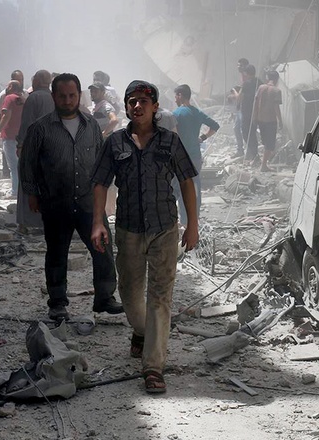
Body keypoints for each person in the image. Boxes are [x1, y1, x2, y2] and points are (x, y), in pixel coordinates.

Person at [91, 80, 199, 394]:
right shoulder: (115, 144)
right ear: (125, 106)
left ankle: (153, 367)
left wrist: (192, 225)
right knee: (130, 295)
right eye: (131, 101)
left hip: (165, 228)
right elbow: (100, 182)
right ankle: (140, 331)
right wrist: (98, 222)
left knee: (160, 298)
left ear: (154, 107)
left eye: (143, 101)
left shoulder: (170, 141)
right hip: (128, 230)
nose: (136, 106)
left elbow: (187, 181)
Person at [21, 73, 124, 321]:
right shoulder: (40, 129)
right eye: (62, 96)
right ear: (54, 96)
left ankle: (105, 297)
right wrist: (32, 193)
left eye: (72, 95)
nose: (67, 100)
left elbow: (101, 163)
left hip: (89, 202)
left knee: (103, 249)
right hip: (56, 202)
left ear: (79, 96)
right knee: (57, 253)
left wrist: (106, 195)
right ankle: (57, 303)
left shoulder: (91, 126)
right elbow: (28, 164)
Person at [172, 84, 220, 225]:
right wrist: (202, 138)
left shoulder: (177, 114)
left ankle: (184, 222)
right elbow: (215, 126)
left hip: (181, 157)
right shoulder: (197, 112)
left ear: (180, 95)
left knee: (181, 188)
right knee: (195, 187)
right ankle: (194, 219)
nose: (175, 99)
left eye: (176, 96)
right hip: (195, 157)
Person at [15, 70, 54, 230]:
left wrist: (20, 145)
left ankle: (26, 223)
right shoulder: (55, 97)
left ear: (37, 81)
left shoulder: (34, 98)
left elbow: (27, 124)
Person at [0, 80, 24, 197]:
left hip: (9, 135)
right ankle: (21, 191)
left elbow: (6, 116)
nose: (6, 88)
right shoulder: (22, 99)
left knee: (13, 166)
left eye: (7, 86)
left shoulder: (9, 98)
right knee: (20, 165)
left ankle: (15, 192)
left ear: (11, 87)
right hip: (21, 136)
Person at [254, 70, 283, 171]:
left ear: (267, 78)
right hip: (270, 121)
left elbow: (256, 103)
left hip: (260, 119)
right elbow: (276, 107)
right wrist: (280, 121)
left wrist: (255, 117)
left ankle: (263, 163)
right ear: (276, 79)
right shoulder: (277, 91)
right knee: (270, 145)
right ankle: (263, 166)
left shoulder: (261, 88)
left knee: (266, 143)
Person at [233, 64, 259, 161]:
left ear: (246, 73)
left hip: (247, 112)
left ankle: (254, 155)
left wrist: (234, 91)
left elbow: (239, 97)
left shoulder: (246, 84)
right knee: (252, 132)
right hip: (256, 111)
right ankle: (254, 155)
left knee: (245, 133)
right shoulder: (259, 82)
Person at [230, 58, 250, 157]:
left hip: (245, 108)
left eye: (241, 65)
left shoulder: (247, 78)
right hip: (240, 107)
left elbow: (242, 96)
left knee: (243, 129)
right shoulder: (242, 77)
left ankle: (248, 151)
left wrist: (234, 91)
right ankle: (240, 150)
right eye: (238, 65)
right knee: (237, 128)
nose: (239, 67)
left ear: (246, 66)